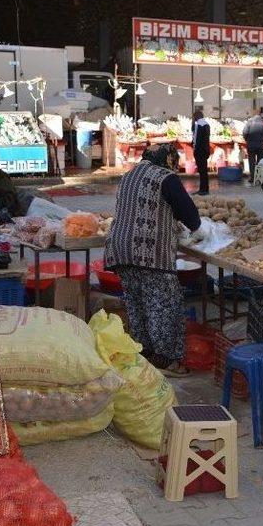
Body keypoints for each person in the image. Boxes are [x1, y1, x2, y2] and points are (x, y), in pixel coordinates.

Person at [105, 143, 201, 376]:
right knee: (163, 306)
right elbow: (192, 218)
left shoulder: (129, 175)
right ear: (168, 160)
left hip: (121, 250)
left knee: (137, 304)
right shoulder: (165, 178)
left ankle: (143, 354)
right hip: (150, 253)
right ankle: (166, 360)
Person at [242, 108, 263, 184]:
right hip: (261, 145)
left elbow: (245, 132)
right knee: (260, 162)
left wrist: (247, 140)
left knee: (252, 161)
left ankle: (252, 177)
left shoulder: (250, 122)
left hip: (251, 145)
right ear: (261, 113)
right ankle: (260, 177)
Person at [192, 110, 210, 195]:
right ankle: (205, 188)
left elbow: (196, 139)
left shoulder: (198, 125)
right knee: (204, 171)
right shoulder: (206, 124)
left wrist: (194, 149)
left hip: (200, 151)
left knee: (202, 171)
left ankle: (202, 190)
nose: (193, 119)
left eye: (194, 117)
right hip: (205, 150)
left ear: (196, 116)